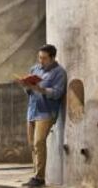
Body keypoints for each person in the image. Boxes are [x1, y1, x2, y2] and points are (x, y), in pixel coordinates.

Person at [18, 45, 67, 188]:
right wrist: (26, 86)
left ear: (52, 58)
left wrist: (41, 89)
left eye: (44, 58)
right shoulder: (35, 69)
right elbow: (30, 92)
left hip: (46, 112)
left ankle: (39, 177)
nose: (41, 61)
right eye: (39, 57)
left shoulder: (59, 73)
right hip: (32, 111)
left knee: (39, 142)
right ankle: (35, 176)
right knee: (32, 144)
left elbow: (58, 93)